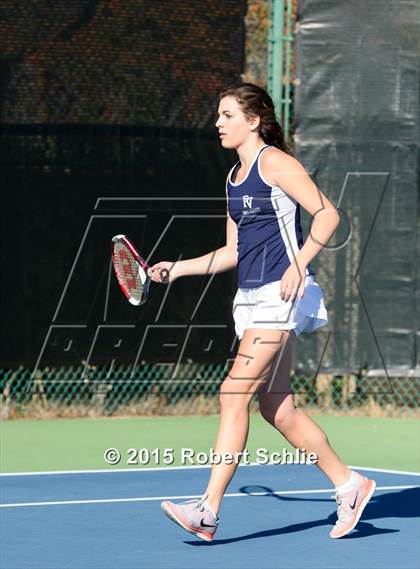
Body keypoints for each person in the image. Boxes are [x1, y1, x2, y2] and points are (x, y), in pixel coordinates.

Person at [149, 82, 376, 541]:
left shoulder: (275, 163)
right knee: (278, 408)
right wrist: (178, 269)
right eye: (218, 116)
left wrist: (299, 264)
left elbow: (328, 215)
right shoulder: (232, 178)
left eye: (227, 115)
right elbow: (232, 250)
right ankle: (350, 485)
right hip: (250, 298)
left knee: (233, 393)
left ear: (253, 121)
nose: (218, 123)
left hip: (281, 294)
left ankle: (208, 510)